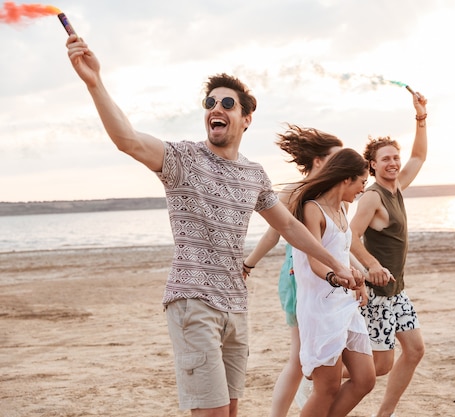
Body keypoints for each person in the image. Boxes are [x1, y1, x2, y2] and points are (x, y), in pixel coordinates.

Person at [64, 34, 358, 417]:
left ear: (246, 118)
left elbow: (288, 226)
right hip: (193, 301)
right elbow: (128, 140)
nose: (215, 108)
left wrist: (337, 263)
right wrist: (95, 83)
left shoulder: (254, 174)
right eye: (210, 102)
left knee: (230, 411)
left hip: (236, 305)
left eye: (226, 103)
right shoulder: (182, 158)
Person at [242, 125, 342, 417]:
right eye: (336, 158)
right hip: (298, 278)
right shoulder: (292, 192)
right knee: (299, 358)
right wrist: (249, 263)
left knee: (328, 352)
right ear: (319, 161)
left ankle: (315, 392)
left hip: (333, 281)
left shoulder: (336, 192)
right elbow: (274, 234)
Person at [349, 90, 428, 417]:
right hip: (378, 293)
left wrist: (420, 116)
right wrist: (372, 264)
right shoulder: (372, 197)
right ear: (373, 164)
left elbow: (419, 157)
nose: (394, 163)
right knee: (380, 365)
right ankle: (314, 375)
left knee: (414, 350)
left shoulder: (397, 186)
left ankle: (385, 413)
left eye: (395, 157)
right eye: (386, 159)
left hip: (397, 291)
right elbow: (349, 236)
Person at [291, 148, 375, 417]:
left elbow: (340, 253)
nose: (363, 189)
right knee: (327, 387)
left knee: (365, 379)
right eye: (362, 182)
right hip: (320, 308)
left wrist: (357, 278)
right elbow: (315, 260)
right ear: (347, 179)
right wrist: (335, 276)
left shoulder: (342, 208)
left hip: (345, 304)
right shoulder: (311, 209)